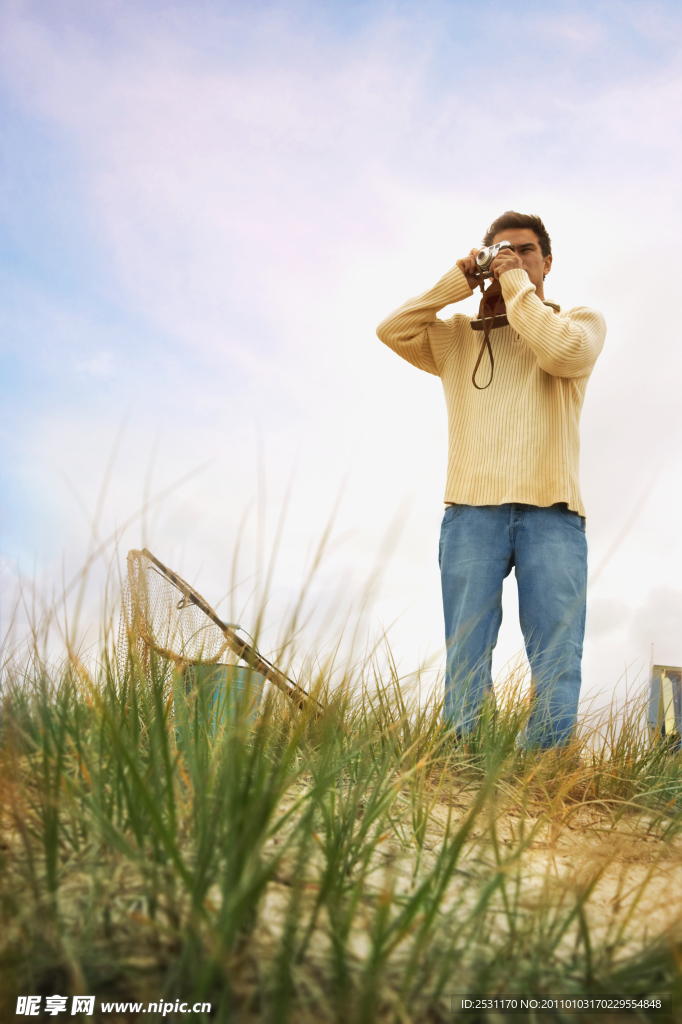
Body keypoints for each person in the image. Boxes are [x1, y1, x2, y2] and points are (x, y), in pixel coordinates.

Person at [376, 211, 606, 748]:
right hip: (470, 511)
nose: (513, 259)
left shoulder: (578, 321)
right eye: (500, 251)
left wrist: (515, 287)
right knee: (466, 649)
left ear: (546, 262)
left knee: (556, 651)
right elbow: (392, 329)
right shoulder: (456, 338)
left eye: (526, 251)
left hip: (552, 514)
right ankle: (460, 761)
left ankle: (543, 769)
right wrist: (458, 279)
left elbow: (562, 351)